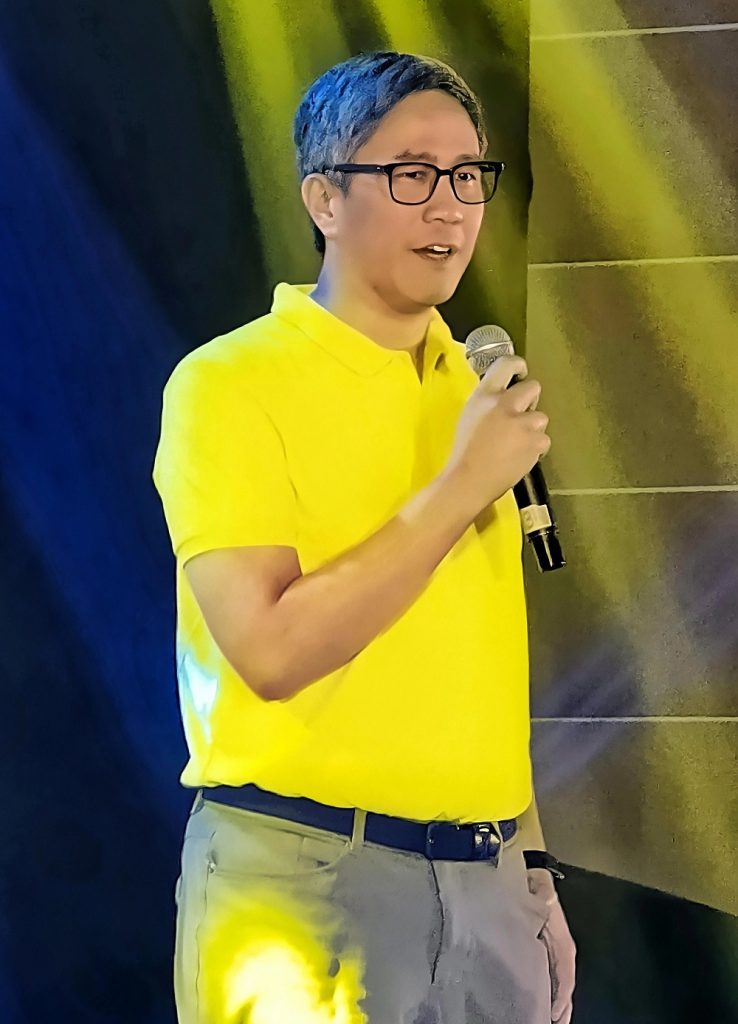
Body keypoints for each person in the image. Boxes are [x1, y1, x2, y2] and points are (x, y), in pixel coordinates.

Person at [152, 50, 576, 1024]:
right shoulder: (230, 384)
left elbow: (481, 671)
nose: (450, 208)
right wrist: (459, 486)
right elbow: (268, 652)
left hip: (491, 884)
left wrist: (534, 871)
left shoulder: (475, 387)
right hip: (305, 880)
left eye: (468, 176)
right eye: (413, 174)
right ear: (325, 199)